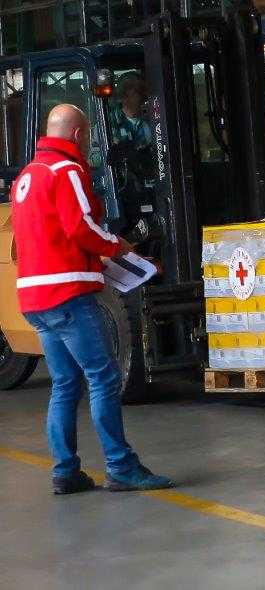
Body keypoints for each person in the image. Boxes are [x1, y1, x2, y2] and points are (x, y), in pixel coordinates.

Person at [10, 104, 174, 494]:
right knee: (103, 378)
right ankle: (121, 467)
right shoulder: (66, 170)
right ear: (79, 134)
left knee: (65, 383)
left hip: (35, 298)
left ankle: (65, 471)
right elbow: (80, 227)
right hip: (68, 295)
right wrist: (118, 247)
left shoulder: (27, 176)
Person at [108, 72, 152, 150]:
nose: (126, 101)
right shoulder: (107, 124)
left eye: (132, 95)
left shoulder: (154, 119)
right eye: (124, 95)